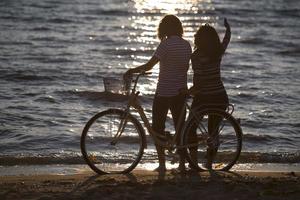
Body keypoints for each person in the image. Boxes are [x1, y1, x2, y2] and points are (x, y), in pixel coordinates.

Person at [124, 15, 192, 173]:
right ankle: (182, 164)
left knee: (157, 128)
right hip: (181, 91)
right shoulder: (186, 45)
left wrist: (132, 70)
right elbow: (185, 68)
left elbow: (149, 66)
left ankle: (162, 164)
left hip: (163, 92)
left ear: (164, 28)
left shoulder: (165, 44)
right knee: (180, 127)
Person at [188, 18, 231, 169]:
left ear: (197, 39)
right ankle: (209, 162)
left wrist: (188, 92)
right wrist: (228, 29)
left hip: (204, 98)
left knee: (190, 128)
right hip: (220, 97)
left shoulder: (196, 56)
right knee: (213, 132)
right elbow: (226, 40)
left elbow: (199, 82)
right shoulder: (217, 52)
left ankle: (192, 161)